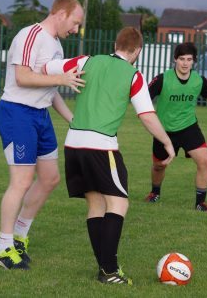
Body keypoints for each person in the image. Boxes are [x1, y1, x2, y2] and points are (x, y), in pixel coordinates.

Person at [43, 27, 175, 284]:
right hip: (100, 147)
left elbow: (47, 68)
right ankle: (109, 270)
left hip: (73, 144)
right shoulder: (133, 75)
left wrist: (63, 79)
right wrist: (167, 142)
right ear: (137, 51)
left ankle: (105, 269)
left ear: (115, 43)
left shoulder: (86, 60)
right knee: (119, 204)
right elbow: (147, 115)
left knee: (95, 204)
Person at [0, 0, 86, 270]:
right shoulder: (30, 35)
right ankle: (3, 247)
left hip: (40, 115)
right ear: (60, 14)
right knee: (21, 181)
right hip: (17, 114)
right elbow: (22, 77)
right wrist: (61, 78)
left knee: (50, 178)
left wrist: (72, 119)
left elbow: (50, 89)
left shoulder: (56, 45)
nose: (76, 28)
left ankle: (19, 237)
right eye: (75, 22)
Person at [144, 42, 207, 211]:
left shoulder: (199, 80)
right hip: (164, 131)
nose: (185, 63)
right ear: (175, 59)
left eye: (189, 59)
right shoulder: (163, 78)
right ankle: (155, 193)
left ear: (193, 61)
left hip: (189, 127)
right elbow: (144, 97)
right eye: (181, 59)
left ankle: (200, 203)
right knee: (159, 166)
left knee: (204, 161)